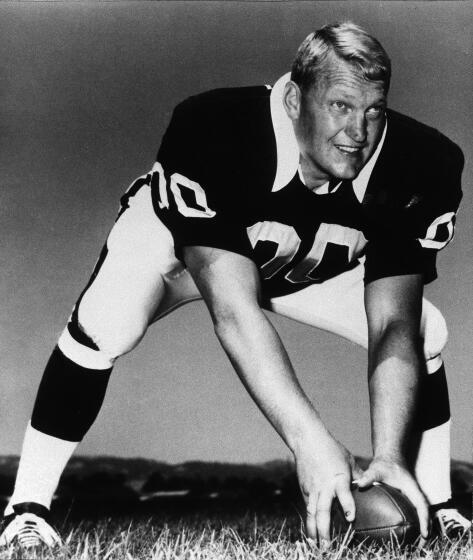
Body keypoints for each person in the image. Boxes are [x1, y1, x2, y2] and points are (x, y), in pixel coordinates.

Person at [1, 21, 470, 548]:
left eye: (373, 110)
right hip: (183, 251)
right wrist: (309, 442)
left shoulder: (422, 163)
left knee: (428, 331)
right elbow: (234, 309)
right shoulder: (216, 126)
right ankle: (26, 507)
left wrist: (387, 457)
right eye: (340, 106)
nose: (359, 132)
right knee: (107, 324)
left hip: (304, 263)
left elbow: (392, 323)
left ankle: (436, 500)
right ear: (293, 99)